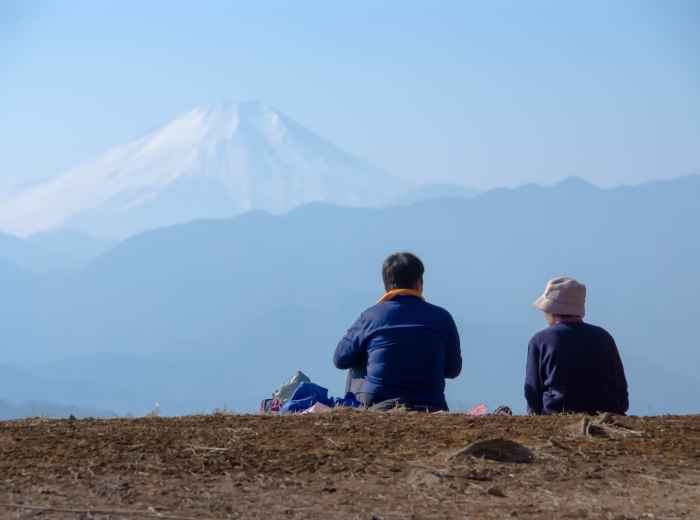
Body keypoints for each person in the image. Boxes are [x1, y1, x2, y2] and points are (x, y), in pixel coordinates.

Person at [333, 252, 462, 411]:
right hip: (432, 404)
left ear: (386, 285)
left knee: (356, 358)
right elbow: (453, 369)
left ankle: (361, 409)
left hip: (379, 403)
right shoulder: (443, 317)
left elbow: (340, 359)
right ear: (419, 283)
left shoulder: (371, 316)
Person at [525, 277, 629, 415]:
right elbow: (620, 388)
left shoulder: (540, 341)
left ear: (551, 310)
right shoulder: (604, 337)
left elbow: (533, 393)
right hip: (607, 412)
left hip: (556, 412)